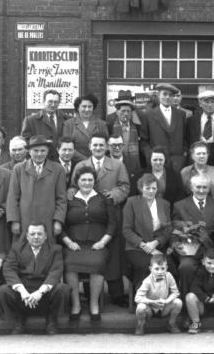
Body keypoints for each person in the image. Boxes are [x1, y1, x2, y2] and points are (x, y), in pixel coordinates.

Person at [71, 133, 130, 307]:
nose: (98, 148)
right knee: (90, 253)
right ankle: (91, 296)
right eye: (95, 145)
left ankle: (117, 294)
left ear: (106, 147)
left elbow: (125, 186)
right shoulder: (81, 165)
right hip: (87, 217)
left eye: (101, 145)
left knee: (113, 254)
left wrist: (112, 196)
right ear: (90, 146)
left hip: (111, 214)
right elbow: (73, 187)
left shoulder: (117, 165)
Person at [61, 166, 117, 322]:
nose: (87, 183)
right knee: (68, 263)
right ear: (77, 182)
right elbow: (61, 225)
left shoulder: (104, 198)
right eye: (83, 180)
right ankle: (76, 305)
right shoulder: (69, 200)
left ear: (95, 181)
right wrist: (68, 242)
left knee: (97, 262)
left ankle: (94, 305)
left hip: (97, 245)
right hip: (74, 245)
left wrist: (103, 242)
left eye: (90, 180)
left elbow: (112, 224)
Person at [172, 173, 214, 296]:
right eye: (198, 187)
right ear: (191, 188)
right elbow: (176, 233)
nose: (201, 190)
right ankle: (187, 306)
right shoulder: (179, 206)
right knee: (185, 267)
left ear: (209, 188)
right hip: (191, 249)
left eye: (205, 187)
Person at [0, 223, 66, 335]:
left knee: (62, 289)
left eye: (39, 234)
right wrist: (23, 292)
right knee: (2, 291)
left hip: (44, 290)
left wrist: (40, 292)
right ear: (27, 236)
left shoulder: (55, 249)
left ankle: (51, 320)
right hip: (23, 290)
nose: (36, 237)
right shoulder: (17, 248)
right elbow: (9, 269)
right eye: (32, 234)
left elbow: (56, 272)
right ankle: (18, 320)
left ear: (46, 236)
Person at [6, 135, 67, 241]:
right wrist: (14, 220)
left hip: (48, 220)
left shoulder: (58, 169)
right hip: (25, 220)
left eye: (43, 150)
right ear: (29, 151)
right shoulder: (19, 169)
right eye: (35, 150)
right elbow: (12, 197)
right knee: (23, 250)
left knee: (47, 251)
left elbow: (61, 198)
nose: (39, 154)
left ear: (47, 151)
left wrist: (58, 220)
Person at [123, 174, 173, 293]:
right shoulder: (131, 202)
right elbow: (126, 229)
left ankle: (166, 300)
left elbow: (168, 229)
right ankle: (143, 302)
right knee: (145, 266)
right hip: (136, 247)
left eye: (154, 188)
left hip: (158, 246)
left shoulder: (164, 204)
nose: (151, 191)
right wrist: (145, 246)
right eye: (147, 188)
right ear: (141, 188)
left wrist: (156, 243)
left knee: (170, 265)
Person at [140, 83, 187, 172]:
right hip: (156, 160)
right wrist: (150, 155)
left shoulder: (181, 114)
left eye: (170, 95)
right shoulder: (148, 115)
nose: (167, 97)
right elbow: (144, 140)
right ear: (158, 95)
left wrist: (184, 154)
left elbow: (184, 137)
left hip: (177, 161)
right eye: (164, 94)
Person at [133, 253, 183, 335]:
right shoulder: (147, 281)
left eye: (162, 268)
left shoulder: (169, 276)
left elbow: (175, 292)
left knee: (178, 302)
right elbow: (137, 298)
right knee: (140, 307)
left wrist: (167, 301)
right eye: (156, 269)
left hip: (164, 307)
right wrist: (152, 302)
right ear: (150, 269)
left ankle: (171, 323)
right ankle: (141, 325)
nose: (160, 272)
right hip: (150, 309)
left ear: (166, 268)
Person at [180, 141, 214, 207]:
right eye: (198, 154)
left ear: (208, 155)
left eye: (204, 153)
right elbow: (181, 195)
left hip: (213, 209)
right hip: (190, 210)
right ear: (192, 156)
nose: (202, 156)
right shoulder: (185, 172)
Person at [62, 94, 109, 158]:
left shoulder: (102, 124)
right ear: (78, 108)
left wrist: (94, 159)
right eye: (84, 106)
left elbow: (106, 145)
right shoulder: (69, 124)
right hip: (75, 161)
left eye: (90, 107)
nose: (87, 109)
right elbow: (67, 146)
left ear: (93, 108)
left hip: (97, 160)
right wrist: (85, 160)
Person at [106, 92, 143, 174]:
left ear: (131, 113)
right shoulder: (110, 122)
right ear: (117, 112)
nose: (125, 114)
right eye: (123, 111)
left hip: (133, 161)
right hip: (115, 161)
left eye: (128, 111)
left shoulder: (137, 124)